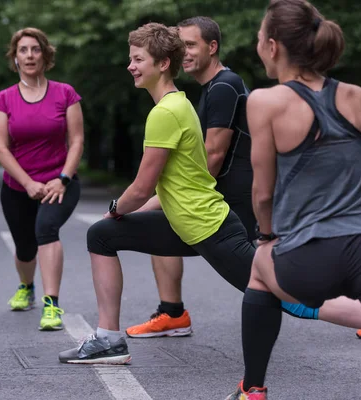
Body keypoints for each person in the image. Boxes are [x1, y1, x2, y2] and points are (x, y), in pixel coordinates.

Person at [57, 22, 361, 365]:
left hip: (209, 227)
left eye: (138, 59)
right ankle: (109, 340)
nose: (131, 66)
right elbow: (172, 184)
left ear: (162, 64)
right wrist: (122, 214)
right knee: (102, 235)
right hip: (186, 224)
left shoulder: (165, 113)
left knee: (291, 297)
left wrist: (115, 206)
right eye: (131, 59)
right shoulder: (179, 104)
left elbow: (142, 187)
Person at [226, 1, 361, 398]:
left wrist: (266, 236)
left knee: (259, 268)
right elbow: (355, 168)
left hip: (308, 257)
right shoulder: (355, 96)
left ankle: (253, 390)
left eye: (257, 39)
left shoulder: (266, 102)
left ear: (271, 46)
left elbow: (262, 191)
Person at [126, 16, 257, 339]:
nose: (183, 52)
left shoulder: (224, 86)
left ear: (212, 47)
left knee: (271, 283)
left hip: (227, 204)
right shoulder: (209, 89)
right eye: (180, 44)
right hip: (215, 201)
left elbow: (212, 156)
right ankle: (172, 312)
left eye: (190, 45)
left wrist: (166, 200)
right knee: (155, 234)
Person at [0, 27, 84, 331]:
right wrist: (28, 183)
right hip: (18, 187)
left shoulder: (65, 93)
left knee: (46, 228)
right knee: (25, 247)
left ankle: (51, 304)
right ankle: (26, 286)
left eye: (35, 49)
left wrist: (63, 178)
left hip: (60, 183)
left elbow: (78, 140)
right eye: (23, 50)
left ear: (45, 55)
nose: (30, 55)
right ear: (15, 58)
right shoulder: (4, 99)